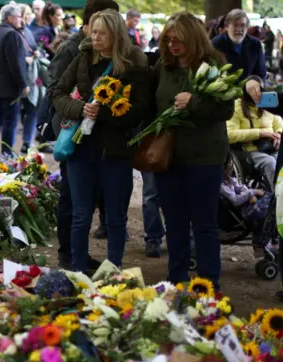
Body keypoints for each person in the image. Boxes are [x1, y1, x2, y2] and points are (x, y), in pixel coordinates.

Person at [49, 9, 148, 273]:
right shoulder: (83, 57)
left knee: (116, 218)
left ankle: (113, 271)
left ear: (115, 34)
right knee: (81, 217)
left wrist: (106, 113)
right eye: (93, 31)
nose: (96, 37)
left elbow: (140, 109)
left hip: (116, 151)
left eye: (102, 33)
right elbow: (57, 93)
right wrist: (78, 109)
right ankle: (79, 270)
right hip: (82, 151)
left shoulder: (133, 63)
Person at [152, 12, 233, 290]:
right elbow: (152, 103)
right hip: (169, 159)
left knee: (204, 224)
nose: (173, 45)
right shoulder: (163, 67)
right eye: (169, 39)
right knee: (174, 223)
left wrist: (194, 102)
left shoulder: (214, 64)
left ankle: (208, 284)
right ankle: (177, 281)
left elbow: (226, 109)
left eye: (179, 40)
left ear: (194, 39)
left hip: (204, 158)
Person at [227, 81, 283, 191]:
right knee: (270, 163)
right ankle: (276, 196)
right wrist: (259, 133)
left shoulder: (267, 103)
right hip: (249, 150)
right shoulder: (236, 107)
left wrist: (279, 134)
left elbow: (279, 122)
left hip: (271, 147)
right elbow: (230, 134)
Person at [0, 4, 28, 154]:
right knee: (9, 122)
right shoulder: (11, 35)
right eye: (19, 17)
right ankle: (6, 153)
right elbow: (15, 63)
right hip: (9, 87)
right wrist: (23, 84)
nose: (21, 20)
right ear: (10, 18)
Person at [212, 9, 266, 106]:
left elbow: (261, 73)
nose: (239, 29)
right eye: (235, 25)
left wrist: (255, 81)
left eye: (243, 25)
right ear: (227, 26)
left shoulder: (255, 44)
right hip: (224, 100)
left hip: (249, 98)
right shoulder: (216, 44)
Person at [18, 3, 43, 154]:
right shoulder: (15, 32)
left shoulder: (28, 31)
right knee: (22, 111)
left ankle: (27, 141)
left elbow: (33, 48)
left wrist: (37, 54)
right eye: (26, 13)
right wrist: (26, 58)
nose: (29, 16)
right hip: (20, 78)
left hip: (32, 78)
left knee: (33, 109)